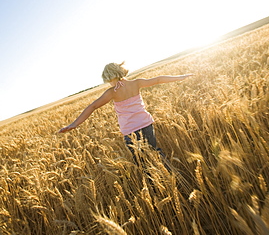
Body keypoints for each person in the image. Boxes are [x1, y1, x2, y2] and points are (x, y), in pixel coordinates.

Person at [58, 62, 193, 163]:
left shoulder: (112, 92)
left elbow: (93, 106)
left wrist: (74, 124)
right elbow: (158, 79)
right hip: (146, 124)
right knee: (156, 152)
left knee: (142, 161)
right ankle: (171, 177)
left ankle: (154, 188)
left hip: (130, 130)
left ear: (108, 77)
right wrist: (180, 77)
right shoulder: (136, 83)